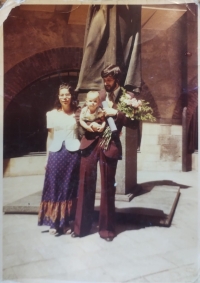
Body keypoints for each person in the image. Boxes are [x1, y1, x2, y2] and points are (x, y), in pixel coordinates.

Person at [71, 64, 138, 241]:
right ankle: (80, 228)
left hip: (110, 145)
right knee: (85, 184)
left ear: (117, 79)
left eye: (109, 80)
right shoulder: (98, 95)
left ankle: (107, 230)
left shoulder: (128, 97)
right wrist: (88, 124)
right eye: (104, 80)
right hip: (90, 143)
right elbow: (79, 113)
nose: (106, 83)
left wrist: (116, 113)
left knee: (108, 187)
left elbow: (134, 122)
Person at [38, 83, 81, 236]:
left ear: (71, 96)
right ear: (58, 96)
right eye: (62, 94)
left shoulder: (78, 113)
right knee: (55, 186)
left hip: (73, 155)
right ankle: (54, 223)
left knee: (69, 187)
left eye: (67, 94)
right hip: (56, 154)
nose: (65, 97)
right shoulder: (51, 114)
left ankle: (66, 222)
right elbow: (50, 137)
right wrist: (46, 158)